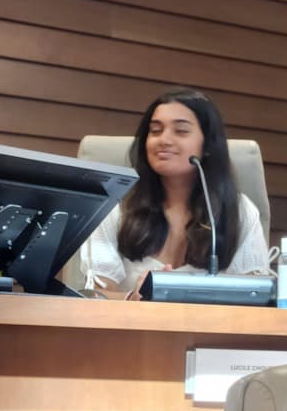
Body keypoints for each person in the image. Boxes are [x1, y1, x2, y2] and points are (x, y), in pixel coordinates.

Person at [80, 87, 270, 299]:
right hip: (131, 320)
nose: (164, 140)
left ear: (208, 145)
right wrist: (132, 298)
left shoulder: (238, 210)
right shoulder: (117, 207)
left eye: (180, 131)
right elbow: (94, 296)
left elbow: (256, 296)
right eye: (155, 131)